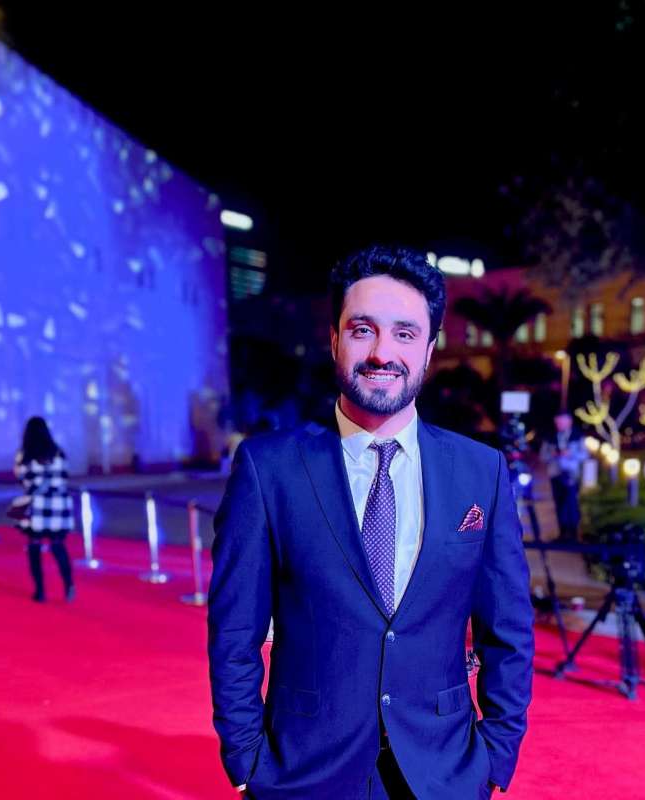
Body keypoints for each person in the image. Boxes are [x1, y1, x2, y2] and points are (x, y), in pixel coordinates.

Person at [208, 246, 534, 799]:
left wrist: (496, 754)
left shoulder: (482, 471)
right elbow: (235, 630)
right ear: (335, 340)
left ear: (429, 348)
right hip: (303, 770)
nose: (383, 352)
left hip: (443, 771)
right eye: (363, 330)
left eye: (405, 333)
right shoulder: (269, 469)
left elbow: (509, 629)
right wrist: (245, 759)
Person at [14, 416, 75, 602]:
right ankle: (68, 585)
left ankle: (40, 590)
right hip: (58, 504)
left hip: (37, 505)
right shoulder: (58, 452)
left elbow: (22, 479)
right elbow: (65, 476)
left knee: (34, 546)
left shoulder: (24, 455)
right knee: (58, 545)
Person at [540, 412, 585, 541]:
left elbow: (584, 455)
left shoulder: (578, 436)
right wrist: (554, 454)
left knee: (571, 503)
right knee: (559, 503)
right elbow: (542, 456)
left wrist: (571, 454)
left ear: (569, 422)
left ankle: (574, 533)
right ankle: (562, 533)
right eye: (557, 422)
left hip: (572, 475)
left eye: (561, 422)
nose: (559, 425)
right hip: (556, 474)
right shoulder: (550, 437)